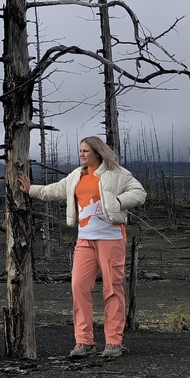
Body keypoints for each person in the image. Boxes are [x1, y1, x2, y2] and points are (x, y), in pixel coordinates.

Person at [19, 136, 146, 360]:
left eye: (86, 150)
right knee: (78, 286)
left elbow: (139, 193)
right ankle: (85, 342)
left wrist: (117, 202)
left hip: (111, 238)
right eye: (80, 150)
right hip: (85, 240)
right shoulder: (76, 176)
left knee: (113, 289)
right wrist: (31, 190)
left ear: (98, 152)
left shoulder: (118, 174)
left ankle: (113, 343)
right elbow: (55, 190)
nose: (82, 154)